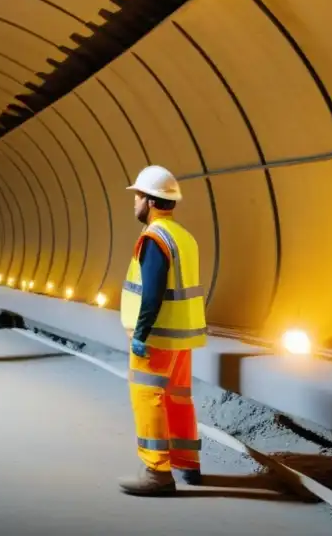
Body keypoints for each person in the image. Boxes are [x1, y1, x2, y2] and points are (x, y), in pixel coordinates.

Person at [119, 166, 207, 496]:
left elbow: (153, 290)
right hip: (180, 336)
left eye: (138, 196)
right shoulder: (184, 236)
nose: (135, 203)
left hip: (156, 338)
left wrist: (140, 333)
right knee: (178, 397)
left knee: (148, 396)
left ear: (151, 201)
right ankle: (188, 463)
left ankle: (157, 472)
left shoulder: (154, 238)